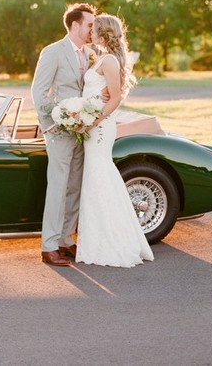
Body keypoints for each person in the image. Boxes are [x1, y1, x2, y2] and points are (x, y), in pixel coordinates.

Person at [76, 13, 154, 267]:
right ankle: (98, 238)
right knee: (97, 178)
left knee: (99, 177)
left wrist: (94, 119)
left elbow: (116, 97)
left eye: (94, 29)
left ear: (103, 33)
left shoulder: (109, 60)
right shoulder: (100, 57)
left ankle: (110, 242)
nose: (91, 33)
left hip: (99, 128)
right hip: (92, 124)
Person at [31, 2, 97, 266]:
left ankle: (66, 239)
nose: (93, 28)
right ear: (75, 25)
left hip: (83, 131)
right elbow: (39, 92)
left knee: (75, 187)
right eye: (90, 24)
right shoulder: (53, 52)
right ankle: (48, 246)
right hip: (59, 131)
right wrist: (52, 123)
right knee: (57, 187)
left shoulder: (90, 54)